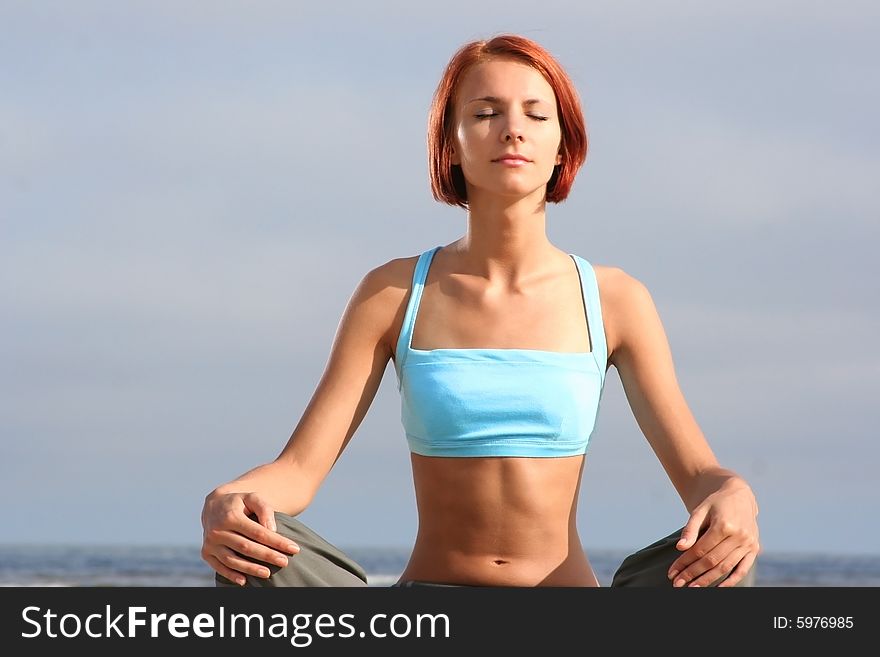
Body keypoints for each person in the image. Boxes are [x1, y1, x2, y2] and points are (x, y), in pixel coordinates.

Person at [200, 33, 760, 588]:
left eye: (536, 115)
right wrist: (226, 501)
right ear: (452, 140)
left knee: (728, 561)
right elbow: (298, 470)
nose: (512, 129)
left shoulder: (615, 300)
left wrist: (734, 493)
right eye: (486, 112)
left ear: (564, 143)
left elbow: (699, 476)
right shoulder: (392, 293)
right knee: (252, 559)